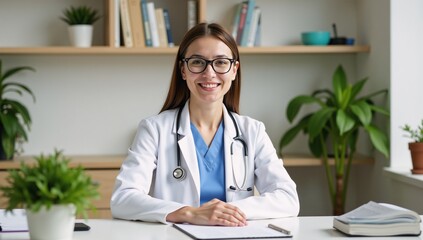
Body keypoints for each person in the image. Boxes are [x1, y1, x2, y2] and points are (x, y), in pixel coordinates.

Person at [110, 22, 299, 226]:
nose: (209, 73)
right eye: (198, 62)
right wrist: (189, 213)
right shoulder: (155, 129)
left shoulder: (252, 131)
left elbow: (288, 198)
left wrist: (226, 212)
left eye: (220, 62)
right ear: (183, 69)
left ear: (234, 70)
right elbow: (123, 199)